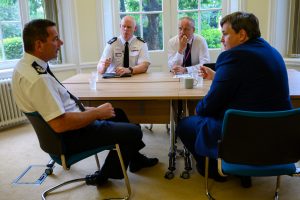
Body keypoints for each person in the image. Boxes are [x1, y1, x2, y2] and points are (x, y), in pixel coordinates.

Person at [12, 19, 158, 186]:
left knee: (119, 114)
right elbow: (60, 124)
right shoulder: (38, 79)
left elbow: (60, 107)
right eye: (55, 39)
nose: (61, 42)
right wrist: (96, 113)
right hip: (71, 135)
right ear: (39, 45)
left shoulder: (25, 67)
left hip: (70, 124)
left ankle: (135, 159)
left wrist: (87, 109)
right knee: (134, 132)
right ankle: (104, 175)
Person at [176, 12, 292, 187]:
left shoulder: (233, 56)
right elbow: (250, 83)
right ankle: (242, 168)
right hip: (276, 136)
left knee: (185, 125)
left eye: (225, 33)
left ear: (242, 34)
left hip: (244, 134)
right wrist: (218, 77)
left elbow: (209, 106)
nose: (222, 39)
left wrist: (198, 109)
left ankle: (214, 170)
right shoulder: (271, 51)